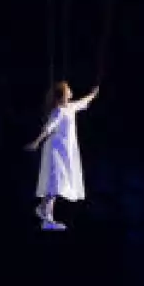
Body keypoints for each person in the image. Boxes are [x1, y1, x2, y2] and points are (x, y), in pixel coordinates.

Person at [26, 81, 99, 231]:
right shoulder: (58, 111)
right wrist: (36, 142)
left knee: (57, 183)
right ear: (63, 95)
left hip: (65, 151)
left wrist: (93, 94)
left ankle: (44, 213)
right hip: (56, 151)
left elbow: (83, 102)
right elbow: (48, 128)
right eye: (68, 89)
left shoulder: (70, 107)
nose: (71, 90)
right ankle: (45, 214)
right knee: (55, 183)